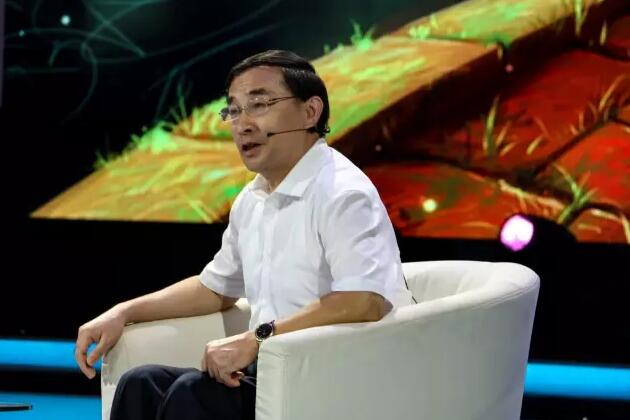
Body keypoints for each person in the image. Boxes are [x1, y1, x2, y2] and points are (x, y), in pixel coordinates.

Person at [74, 49, 414, 420]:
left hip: (337, 377)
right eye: (234, 110)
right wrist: (123, 312)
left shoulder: (342, 192)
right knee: (141, 383)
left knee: (193, 394)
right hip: (273, 376)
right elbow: (216, 288)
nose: (242, 124)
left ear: (310, 112)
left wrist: (258, 337)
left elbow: (363, 300)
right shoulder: (253, 198)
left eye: (260, 105)